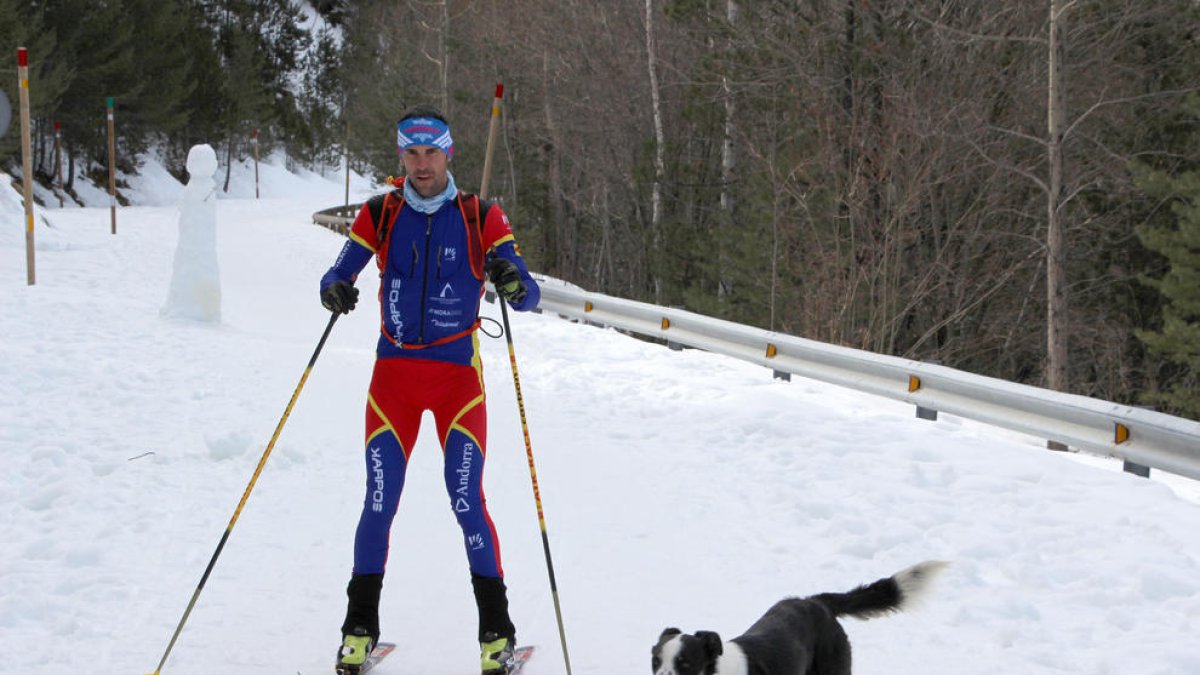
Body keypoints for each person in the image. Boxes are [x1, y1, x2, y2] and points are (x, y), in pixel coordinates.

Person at [319, 107, 540, 675]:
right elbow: (339, 270)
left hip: (456, 386)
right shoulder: (380, 212)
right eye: (411, 154)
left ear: (449, 153)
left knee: (467, 503)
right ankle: (357, 634)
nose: (421, 165)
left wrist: (512, 280)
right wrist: (336, 287)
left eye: (431, 153)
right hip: (391, 380)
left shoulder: (479, 215)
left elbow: (528, 292)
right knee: (377, 504)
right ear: (401, 156)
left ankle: (497, 637)